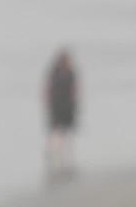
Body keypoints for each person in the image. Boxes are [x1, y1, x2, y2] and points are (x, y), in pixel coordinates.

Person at [43, 49, 80, 180]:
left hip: (67, 105)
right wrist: (47, 101)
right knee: (55, 129)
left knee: (66, 130)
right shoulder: (55, 71)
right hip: (57, 105)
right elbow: (47, 88)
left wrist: (74, 103)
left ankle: (66, 154)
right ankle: (52, 152)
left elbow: (74, 89)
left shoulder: (70, 72)